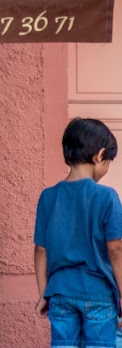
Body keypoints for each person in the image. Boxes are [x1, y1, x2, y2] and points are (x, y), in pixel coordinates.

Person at [34, 117, 122, 347]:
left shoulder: (48, 197)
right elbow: (115, 249)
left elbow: (41, 250)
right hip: (99, 294)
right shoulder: (106, 196)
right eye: (109, 161)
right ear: (99, 155)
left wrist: (44, 293)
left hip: (60, 293)